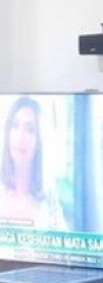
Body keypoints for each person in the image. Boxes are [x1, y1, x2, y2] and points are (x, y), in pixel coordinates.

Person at [0, 96, 67, 229]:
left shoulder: (49, 199)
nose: (20, 136)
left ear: (39, 141)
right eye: (15, 126)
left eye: (30, 129)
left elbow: (65, 240)